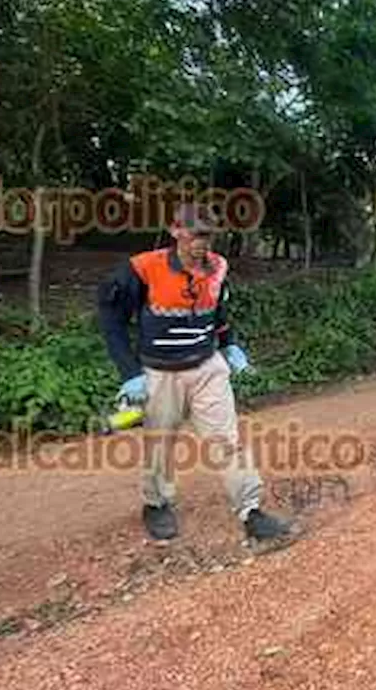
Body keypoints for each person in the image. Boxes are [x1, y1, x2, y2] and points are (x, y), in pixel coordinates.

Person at [97, 202, 291, 542]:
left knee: (226, 441)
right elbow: (110, 319)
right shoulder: (144, 269)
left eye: (208, 235)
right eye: (195, 234)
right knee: (160, 444)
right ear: (175, 230)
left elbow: (218, 308)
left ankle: (251, 512)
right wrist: (130, 373)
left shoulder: (217, 267)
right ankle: (156, 505)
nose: (202, 243)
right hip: (159, 372)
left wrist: (229, 344)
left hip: (206, 367)